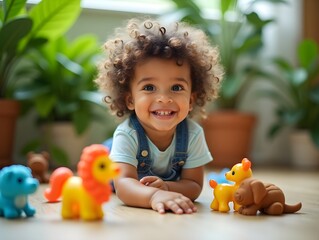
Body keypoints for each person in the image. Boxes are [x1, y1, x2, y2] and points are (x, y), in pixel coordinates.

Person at [95, 18, 223, 214]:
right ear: (130, 100)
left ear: (190, 100)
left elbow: (194, 186)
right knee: (96, 165)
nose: (164, 98)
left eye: (176, 87)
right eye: (149, 87)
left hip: (155, 177)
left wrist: (166, 188)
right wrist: (153, 196)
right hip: (112, 158)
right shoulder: (127, 134)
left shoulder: (193, 134)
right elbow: (123, 186)